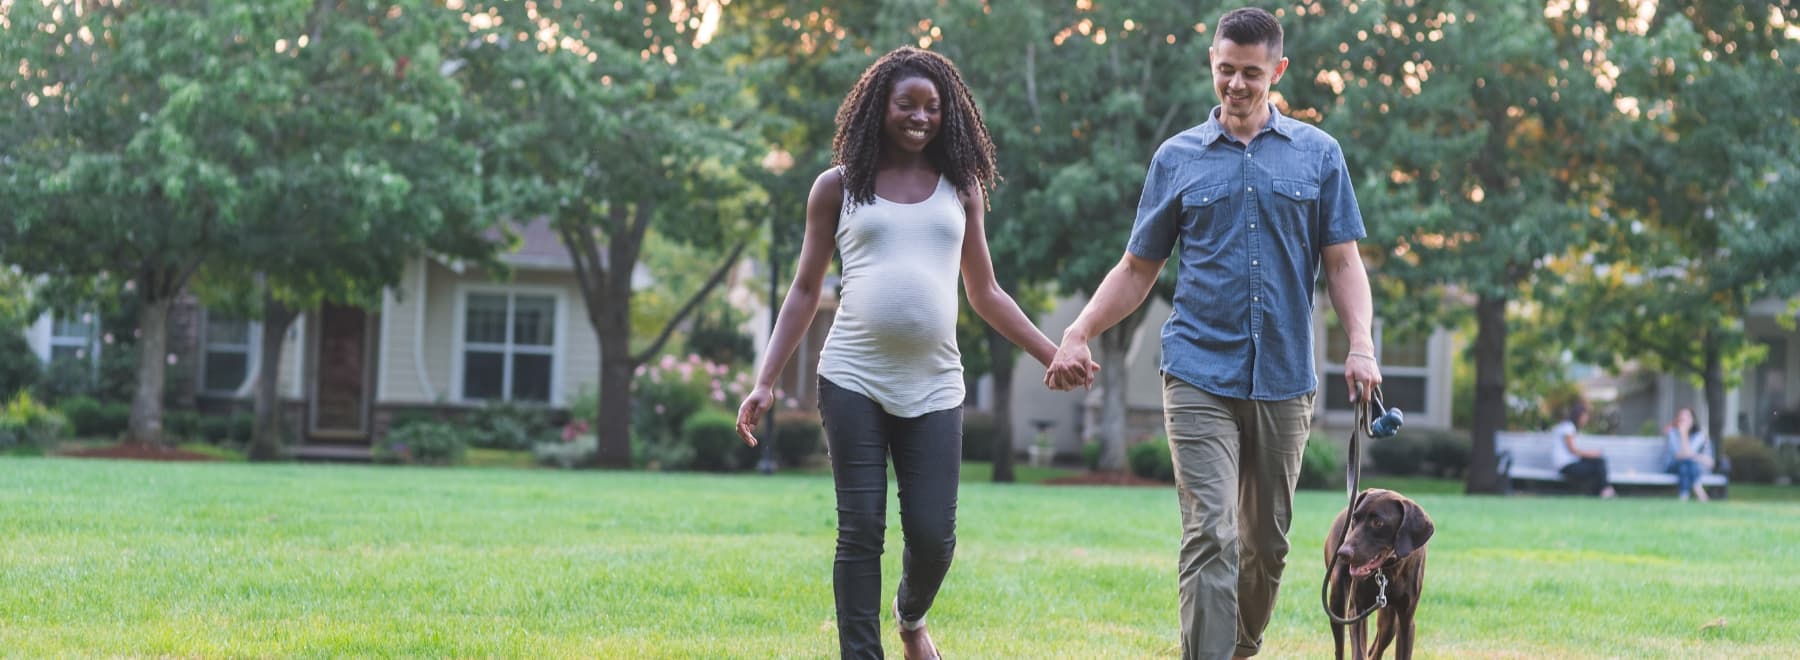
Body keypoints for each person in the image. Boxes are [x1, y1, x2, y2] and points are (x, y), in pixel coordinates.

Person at [1042, 8, 1381, 659]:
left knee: (1267, 544)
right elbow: (1138, 268)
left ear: (1277, 71)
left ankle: (1238, 648)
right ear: (1212, 65)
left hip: (1284, 376)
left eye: (1251, 73)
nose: (1236, 85)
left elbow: (1342, 263)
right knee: (1210, 535)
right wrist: (1079, 330)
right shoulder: (1177, 159)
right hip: (1197, 370)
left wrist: (1360, 343)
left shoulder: (1319, 155)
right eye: (1225, 70)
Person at [734, 46, 1088, 660]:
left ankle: (911, 616)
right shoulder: (837, 187)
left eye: (933, 107)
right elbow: (803, 290)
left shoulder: (963, 188)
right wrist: (766, 381)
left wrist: (1051, 352)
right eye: (907, 105)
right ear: (881, 107)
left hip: (934, 384)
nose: (920, 117)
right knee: (860, 529)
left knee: (932, 537)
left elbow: (985, 291)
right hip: (852, 377)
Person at [1551, 400, 1616, 498]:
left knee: (1599, 462)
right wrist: (1593, 454)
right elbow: (1573, 451)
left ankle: (1604, 489)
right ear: (1578, 416)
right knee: (1599, 463)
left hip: (1571, 462)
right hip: (1566, 466)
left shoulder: (1569, 427)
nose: (1586, 419)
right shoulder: (1568, 428)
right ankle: (1605, 490)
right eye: (1585, 416)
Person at [1664, 407, 1713, 501]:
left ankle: (1684, 495)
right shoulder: (1672, 433)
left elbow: (1688, 454)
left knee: (1685, 465)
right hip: (1672, 466)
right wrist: (1683, 434)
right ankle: (1699, 491)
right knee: (1686, 462)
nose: (1684, 421)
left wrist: (1684, 435)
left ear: (1693, 420)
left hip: (1690, 467)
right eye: (1681, 418)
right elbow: (1679, 455)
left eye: (1687, 418)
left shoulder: (1699, 435)